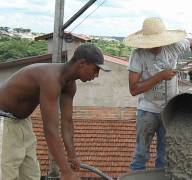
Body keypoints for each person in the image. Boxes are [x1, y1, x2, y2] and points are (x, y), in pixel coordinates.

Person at [0, 43, 110, 180]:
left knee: (30, 175)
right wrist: (66, 172)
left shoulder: (69, 85)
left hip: (22, 122)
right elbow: (50, 128)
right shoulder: (51, 79)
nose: (96, 75)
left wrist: (72, 155)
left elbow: (67, 123)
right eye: (95, 69)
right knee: (6, 174)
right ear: (82, 63)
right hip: (4, 122)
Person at [123, 17, 192, 171]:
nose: (155, 47)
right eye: (151, 44)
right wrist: (160, 76)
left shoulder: (174, 47)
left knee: (165, 155)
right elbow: (133, 89)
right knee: (141, 154)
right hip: (147, 109)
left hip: (170, 108)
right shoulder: (138, 55)